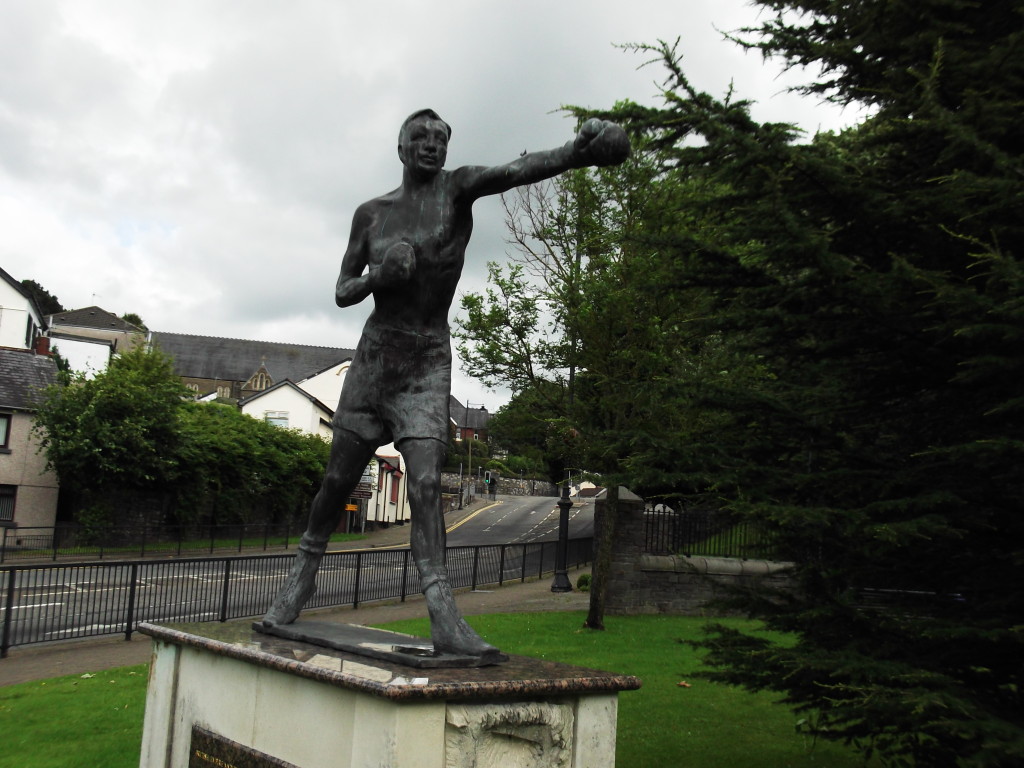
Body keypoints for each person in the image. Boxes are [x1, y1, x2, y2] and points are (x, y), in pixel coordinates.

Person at [262, 108, 629, 661]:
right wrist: (376, 278)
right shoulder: (372, 213)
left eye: (440, 139)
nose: (431, 146)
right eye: (420, 138)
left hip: (426, 359)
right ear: (401, 147)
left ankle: (442, 612)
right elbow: (342, 289)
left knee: (427, 483)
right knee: (336, 482)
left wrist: (578, 153)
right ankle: (299, 581)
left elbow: (516, 171)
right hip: (375, 358)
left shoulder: (456, 191)